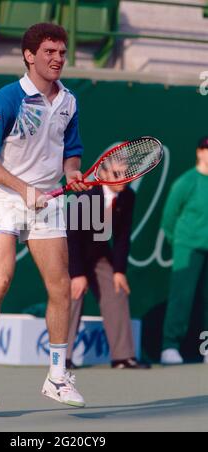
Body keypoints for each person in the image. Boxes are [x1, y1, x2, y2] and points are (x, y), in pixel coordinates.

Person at [0, 23, 88, 408]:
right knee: (0, 280)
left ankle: (57, 375)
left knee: (61, 287)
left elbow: (71, 151)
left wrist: (72, 174)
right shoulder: (5, 99)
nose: (57, 59)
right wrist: (22, 189)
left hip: (47, 201)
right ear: (29, 56)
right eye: (49, 52)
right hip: (4, 197)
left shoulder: (69, 101)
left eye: (62, 52)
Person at [66, 162, 150, 369]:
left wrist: (119, 271)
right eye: (116, 174)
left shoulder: (128, 196)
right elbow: (72, 236)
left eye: (127, 174)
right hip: (70, 252)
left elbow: (122, 237)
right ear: (102, 174)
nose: (123, 179)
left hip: (99, 253)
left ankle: (122, 357)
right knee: (73, 295)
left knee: (118, 290)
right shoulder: (87, 196)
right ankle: (63, 358)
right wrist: (77, 274)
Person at [161, 137, 208, 365]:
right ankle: (170, 346)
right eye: (207, 149)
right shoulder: (185, 182)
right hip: (187, 248)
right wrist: (179, 242)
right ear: (199, 152)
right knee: (182, 297)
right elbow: (169, 218)